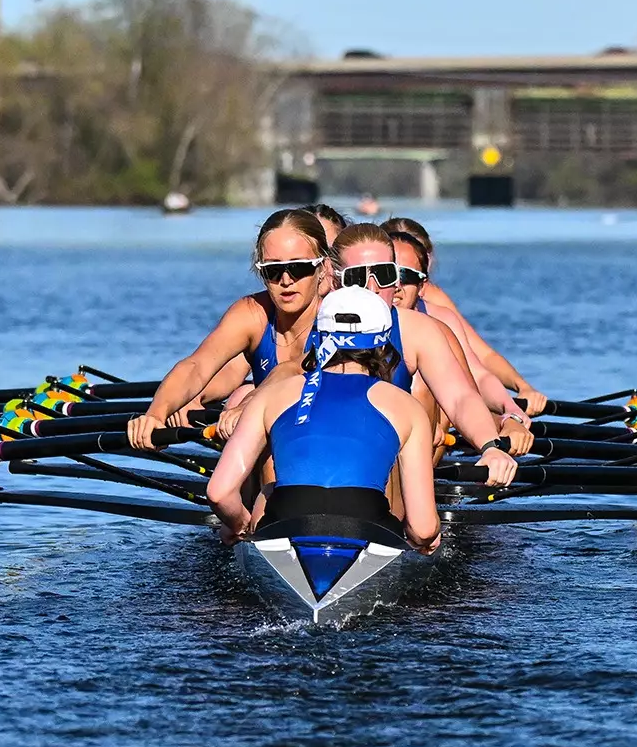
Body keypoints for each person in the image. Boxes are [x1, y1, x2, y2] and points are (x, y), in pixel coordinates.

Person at [208, 287, 440, 553]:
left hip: (285, 522)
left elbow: (219, 492)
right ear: (384, 345)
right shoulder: (407, 406)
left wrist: (240, 525)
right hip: (368, 525)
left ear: (318, 337)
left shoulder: (271, 395)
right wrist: (423, 540)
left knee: (268, 491)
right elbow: (423, 529)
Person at [307, 223, 523, 483]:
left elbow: (460, 397)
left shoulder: (417, 330)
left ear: (396, 281)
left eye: (384, 274)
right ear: (335, 281)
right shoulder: (307, 326)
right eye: (357, 277)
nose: (373, 288)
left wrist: (490, 448)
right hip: (315, 466)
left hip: (385, 480)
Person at [126, 209, 329, 448]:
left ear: (323, 268)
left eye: (298, 267)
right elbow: (196, 365)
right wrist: (156, 415)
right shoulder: (252, 313)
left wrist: (249, 404)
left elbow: (294, 374)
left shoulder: (339, 318)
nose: (285, 280)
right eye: (273, 270)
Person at [379, 216, 549, 417]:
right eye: (389, 272)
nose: (397, 285)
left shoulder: (438, 310)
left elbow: (479, 364)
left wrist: (516, 398)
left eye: (407, 274)